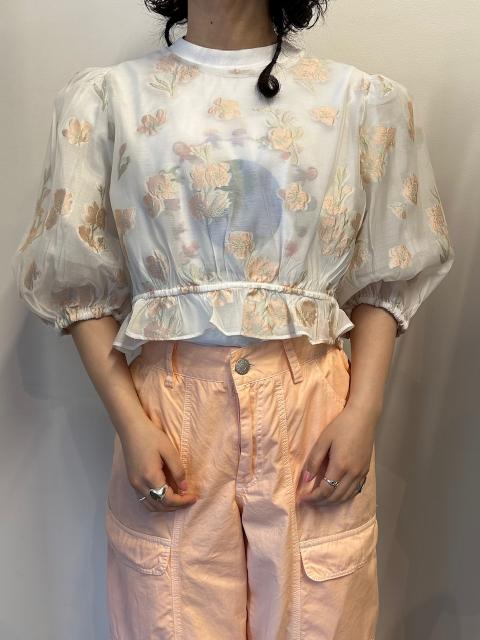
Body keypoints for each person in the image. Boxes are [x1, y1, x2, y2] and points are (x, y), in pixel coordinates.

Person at [11, 0, 455, 638]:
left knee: (317, 620)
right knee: (170, 617)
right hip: (171, 414)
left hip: (313, 411)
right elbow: (79, 285)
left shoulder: (359, 101)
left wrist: (363, 411)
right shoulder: (110, 101)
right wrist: (130, 423)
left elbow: (387, 276)